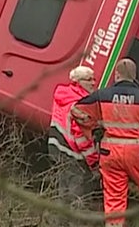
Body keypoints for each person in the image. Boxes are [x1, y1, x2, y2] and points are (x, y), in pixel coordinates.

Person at [71, 58, 139, 227]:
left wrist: (93, 126)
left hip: (110, 152)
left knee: (114, 201)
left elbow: (75, 110)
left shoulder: (101, 95)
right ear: (134, 76)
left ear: (116, 75)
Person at [49, 66, 101, 200]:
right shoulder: (81, 104)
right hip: (72, 153)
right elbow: (82, 138)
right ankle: (72, 221)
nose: (93, 83)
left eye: (94, 79)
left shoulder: (64, 94)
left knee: (62, 191)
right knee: (76, 196)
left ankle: (57, 220)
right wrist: (94, 164)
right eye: (89, 79)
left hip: (57, 147)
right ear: (78, 82)